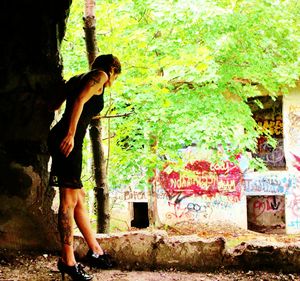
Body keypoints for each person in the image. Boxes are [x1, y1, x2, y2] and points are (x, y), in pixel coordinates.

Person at [47, 54, 121, 281]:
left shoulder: (77, 77)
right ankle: (67, 261)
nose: (112, 81)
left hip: (63, 138)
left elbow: (55, 104)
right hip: (68, 142)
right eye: (115, 76)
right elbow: (79, 100)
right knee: (68, 202)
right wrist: (70, 133)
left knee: (78, 196)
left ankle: (96, 250)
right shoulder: (100, 76)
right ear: (111, 69)